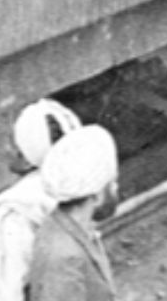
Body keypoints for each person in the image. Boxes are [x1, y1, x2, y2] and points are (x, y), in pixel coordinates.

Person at [0, 100, 83, 301]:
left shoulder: (17, 215)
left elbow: (10, 290)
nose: (7, 149)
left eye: (14, 143)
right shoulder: (73, 195)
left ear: (26, 157)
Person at [26, 124, 120, 301]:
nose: (116, 188)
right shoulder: (64, 259)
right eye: (112, 184)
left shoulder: (69, 229)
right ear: (97, 196)